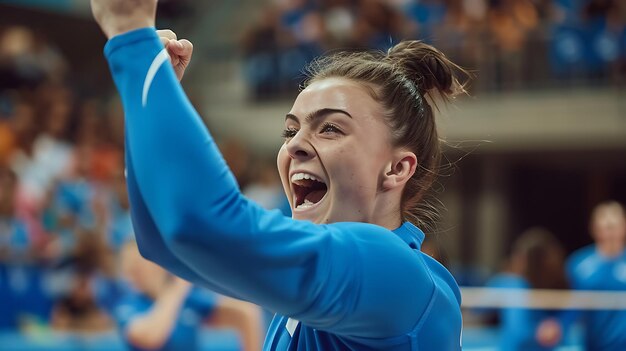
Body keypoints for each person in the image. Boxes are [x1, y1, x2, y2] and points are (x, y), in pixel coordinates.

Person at [90, 0, 468, 349]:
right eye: (290, 131)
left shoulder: (396, 273)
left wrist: (131, 35)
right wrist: (154, 92)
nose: (295, 146)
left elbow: (202, 224)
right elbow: (160, 241)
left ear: (397, 168)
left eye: (331, 128)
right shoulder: (323, 287)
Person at [115, 241, 263, 351]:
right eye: (130, 267)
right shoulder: (128, 305)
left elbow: (246, 314)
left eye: (139, 265)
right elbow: (151, 337)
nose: (133, 273)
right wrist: (179, 285)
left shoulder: (189, 299)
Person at [485, 227, 570, 351]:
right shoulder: (513, 284)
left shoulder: (558, 287)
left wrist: (558, 326)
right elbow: (519, 331)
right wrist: (539, 333)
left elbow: (567, 319)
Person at [567, 201, 626, 351]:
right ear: (594, 229)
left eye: (614, 226)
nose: (610, 233)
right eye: (605, 227)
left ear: (623, 227)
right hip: (592, 344)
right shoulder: (578, 264)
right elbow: (571, 307)